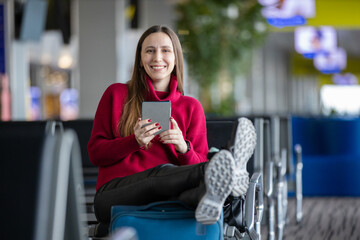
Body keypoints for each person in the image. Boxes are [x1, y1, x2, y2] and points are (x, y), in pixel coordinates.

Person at [88, 25, 256, 228]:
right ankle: (220, 172)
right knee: (158, 175)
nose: (157, 57)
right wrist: (133, 142)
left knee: (187, 191)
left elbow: (196, 158)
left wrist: (183, 148)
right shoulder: (116, 94)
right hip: (113, 197)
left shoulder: (191, 107)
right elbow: (96, 154)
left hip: (169, 197)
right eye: (149, 51)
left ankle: (212, 187)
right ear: (140, 60)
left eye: (165, 50)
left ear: (175, 58)